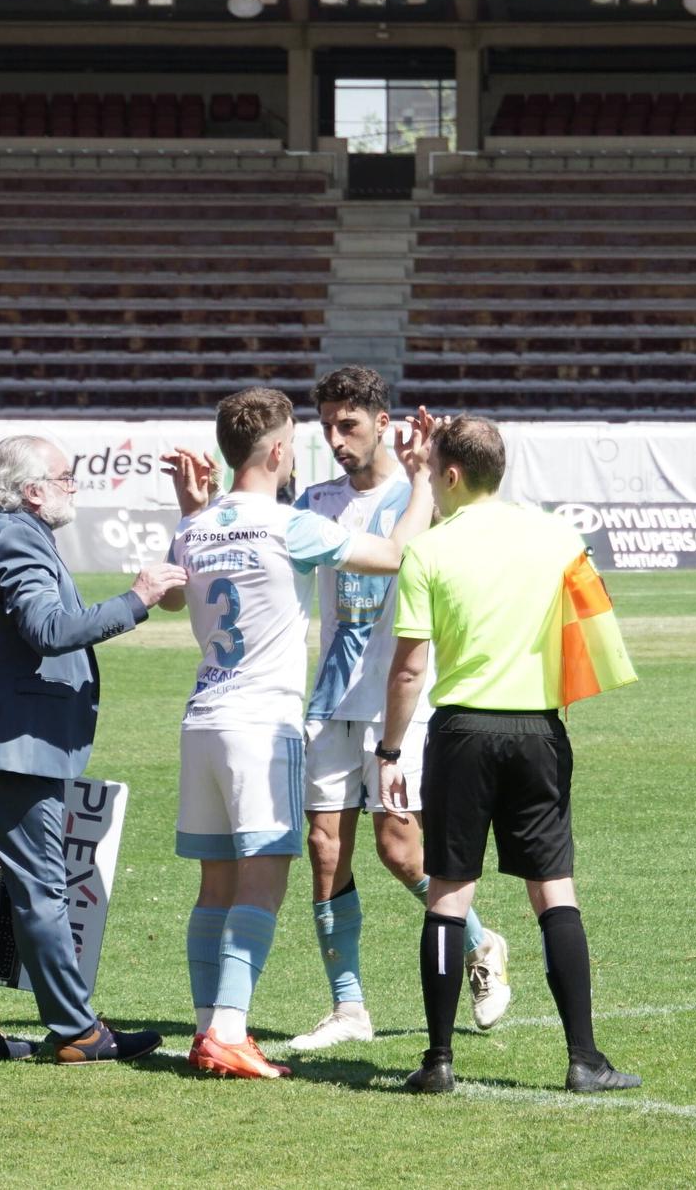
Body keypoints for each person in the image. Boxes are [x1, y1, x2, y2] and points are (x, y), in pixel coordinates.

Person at [159, 387, 436, 1080]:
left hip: (203, 720)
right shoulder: (294, 526)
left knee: (213, 885)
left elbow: (168, 592)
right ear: (280, 450)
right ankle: (229, 1030)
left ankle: (206, 1030)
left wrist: (195, 507)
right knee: (263, 882)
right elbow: (398, 551)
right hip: (264, 723)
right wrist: (424, 476)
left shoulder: (194, 526)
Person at [379, 414, 640, 1096]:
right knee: (553, 889)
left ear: (453, 475)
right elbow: (591, 629)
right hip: (537, 730)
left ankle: (437, 1060)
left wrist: (388, 748)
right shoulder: (557, 537)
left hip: (463, 731)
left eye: (434, 471)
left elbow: (409, 670)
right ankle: (584, 1057)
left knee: (448, 893)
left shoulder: (430, 550)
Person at [0, 435, 184, 1064]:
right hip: (11, 746)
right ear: (33, 490)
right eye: (66, 478)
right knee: (41, 885)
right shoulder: (17, 537)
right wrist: (136, 599)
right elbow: (49, 630)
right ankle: (75, 1030)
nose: (73, 489)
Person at [288, 367, 510, 1052]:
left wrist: (426, 475)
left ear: (383, 423)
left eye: (348, 424)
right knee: (325, 849)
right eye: (325, 424)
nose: (335, 437)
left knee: (398, 848)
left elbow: (441, 547)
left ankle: (483, 942)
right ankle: (348, 1005)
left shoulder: (425, 495)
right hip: (330, 698)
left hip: (398, 703)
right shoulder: (317, 500)